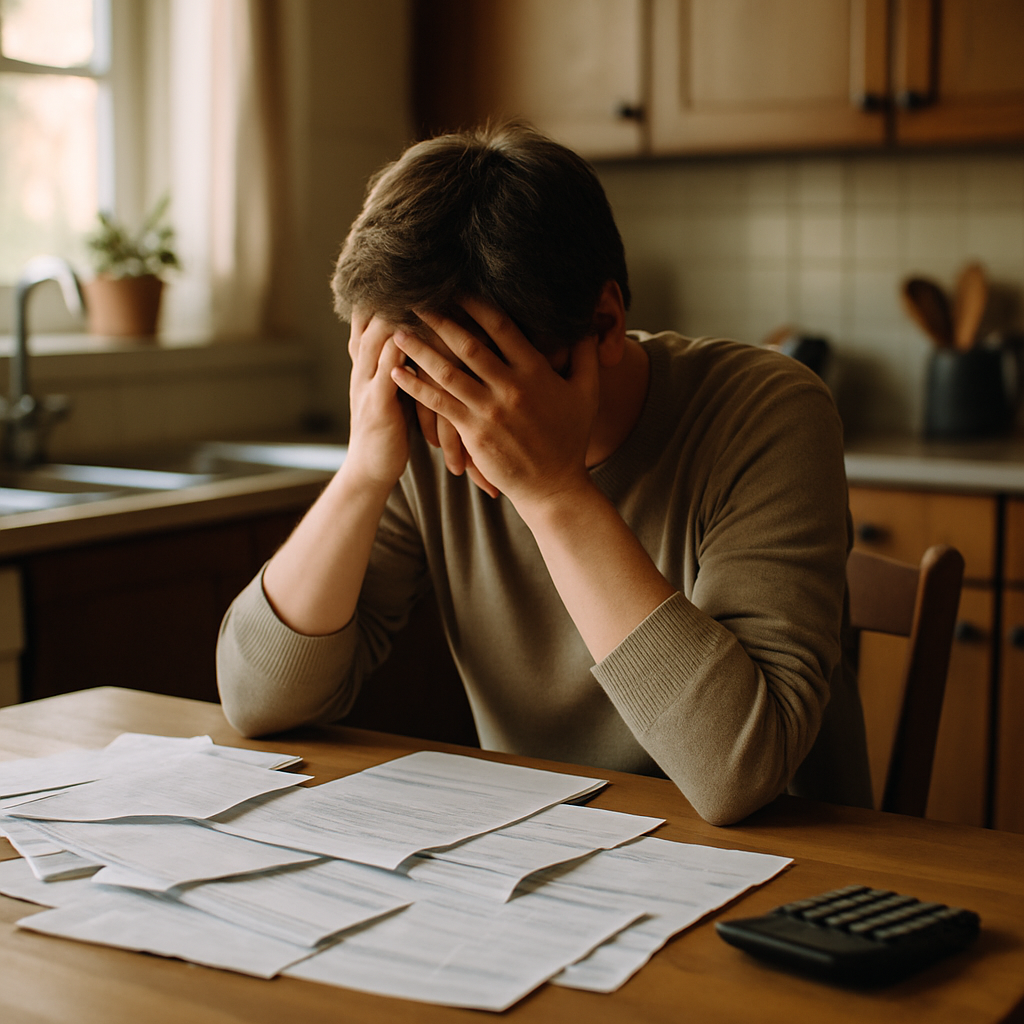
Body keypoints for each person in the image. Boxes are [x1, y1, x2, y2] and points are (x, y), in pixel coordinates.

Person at [216, 122, 872, 826]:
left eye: (484, 379)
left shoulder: (769, 411)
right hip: (538, 851)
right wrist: (364, 472)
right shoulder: (416, 426)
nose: (453, 419)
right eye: (420, 372)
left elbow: (738, 774)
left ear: (606, 323)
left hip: (782, 868)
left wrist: (553, 492)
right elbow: (257, 701)